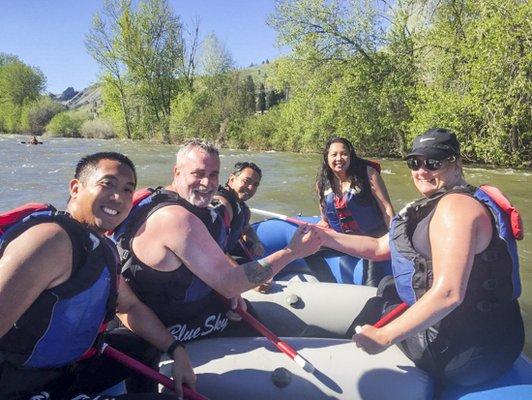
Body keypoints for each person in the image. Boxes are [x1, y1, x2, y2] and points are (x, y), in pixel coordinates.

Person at [318, 128, 524, 387]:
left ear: (457, 163)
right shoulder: (452, 199)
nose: (421, 171)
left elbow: (449, 293)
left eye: (433, 163)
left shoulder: (455, 208)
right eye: (415, 162)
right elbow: (380, 248)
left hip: (466, 354)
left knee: (375, 308)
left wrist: (384, 336)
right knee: (388, 287)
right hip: (498, 337)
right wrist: (324, 238)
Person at [0, 152, 195, 399]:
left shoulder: (103, 248)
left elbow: (130, 307)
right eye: (108, 184)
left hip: (70, 371)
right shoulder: (50, 241)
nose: (119, 197)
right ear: (75, 188)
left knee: (144, 346)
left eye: (127, 189)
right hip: (24, 384)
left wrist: (176, 349)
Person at [111, 139, 321, 344]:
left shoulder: (150, 197)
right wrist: (292, 251)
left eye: (213, 175)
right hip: (167, 324)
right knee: (251, 326)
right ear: (177, 172)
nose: (207, 183)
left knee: (247, 310)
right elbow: (230, 284)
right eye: (198, 174)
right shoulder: (178, 219)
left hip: (154, 304)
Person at [316, 136, 395, 286]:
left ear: (351, 156)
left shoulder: (368, 174)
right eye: (334, 155)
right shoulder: (322, 183)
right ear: (327, 158)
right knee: (307, 254)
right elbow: (325, 219)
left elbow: (387, 209)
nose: (339, 158)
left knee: (372, 283)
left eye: (344, 153)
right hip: (342, 240)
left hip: (372, 240)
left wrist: (395, 238)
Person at [212, 161, 264, 258]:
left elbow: (246, 229)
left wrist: (256, 243)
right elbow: (211, 248)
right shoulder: (221, 207)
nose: (251, 188)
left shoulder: (243, 208)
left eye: (255, 185)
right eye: (246, 181)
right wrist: (236, 270)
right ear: (232, 179)